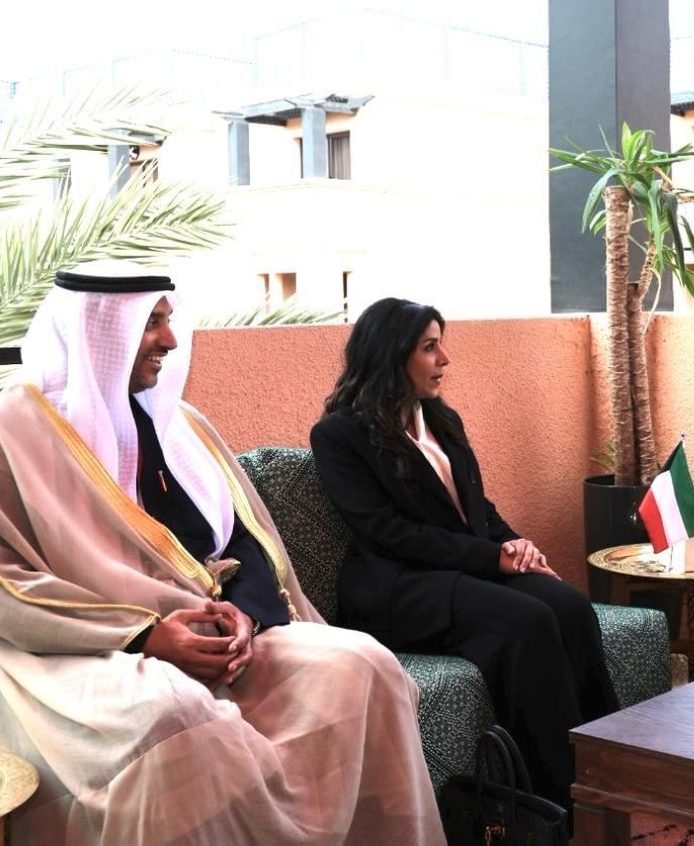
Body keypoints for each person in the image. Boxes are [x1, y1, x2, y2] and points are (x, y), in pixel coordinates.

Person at [0, 261, 445, 845]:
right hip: (77, 646)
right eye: (150, 323)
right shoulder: (15, 430)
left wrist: (245, 615)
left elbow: (239, 537)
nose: (170, 340)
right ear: (97, 330)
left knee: (364, 666)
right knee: (173, 718)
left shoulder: (177, 422)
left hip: (214, 630)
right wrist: (145, 635)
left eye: (168, 320)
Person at [310, 297, 620, 811]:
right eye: (429, 347)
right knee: (527, 621)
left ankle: (609, 774)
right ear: (392, 354)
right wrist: (491, 558)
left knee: (569, 605)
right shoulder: (339, 436)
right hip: (399, 587)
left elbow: (478, 508)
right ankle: (562, 803)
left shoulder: (441, 420)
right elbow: (387, 533)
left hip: (461, 568)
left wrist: (515, 544)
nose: (444, 359)